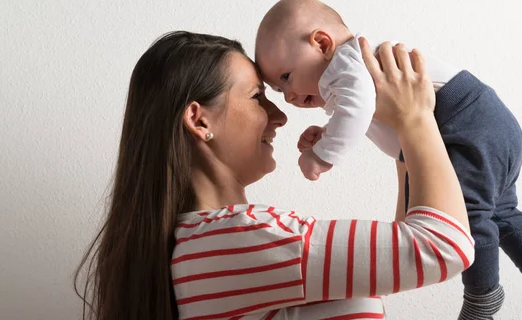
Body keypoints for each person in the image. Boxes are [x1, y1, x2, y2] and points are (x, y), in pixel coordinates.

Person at [75, 31, 474, 320]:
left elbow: (408, 245)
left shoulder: (207, 245)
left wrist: (404, 138)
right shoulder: (243, 238)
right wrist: (417, 116)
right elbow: (444, 247)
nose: (281, 115)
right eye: (257, 97)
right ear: (199, 120)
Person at [254, 0, 522, 319]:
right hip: (483, 122)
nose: (289, 96)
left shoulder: (348, 62)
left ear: (321, 43)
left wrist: (321, 155)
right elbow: (363, 115)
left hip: (467, 122)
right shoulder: (349, 75)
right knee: (499, 209)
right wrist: (328, 131)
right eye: (279, 90)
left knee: (469, 214)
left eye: (287, 77)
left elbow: (356, 111)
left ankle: (483, 294)